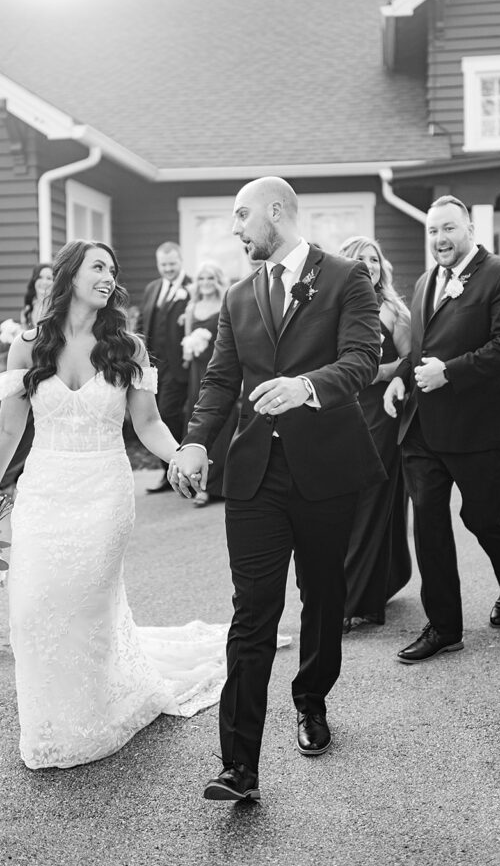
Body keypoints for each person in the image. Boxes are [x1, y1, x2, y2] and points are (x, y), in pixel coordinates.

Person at [0, 240, 231, 770]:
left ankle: (89, 718)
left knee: (86, 605)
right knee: (31, 607)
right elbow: (8, 428)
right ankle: (46, 725)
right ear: (70, 274)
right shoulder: (29, 345)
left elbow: (149, 423)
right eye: (97, 267)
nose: (108, 276)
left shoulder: (126, 347)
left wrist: (180, 454)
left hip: (103, 492)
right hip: (43, 491)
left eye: (113, 268)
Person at [170, 177, 385, 802]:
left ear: (275, 211)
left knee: (322, 595)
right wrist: (193, 443)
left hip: (326, 470)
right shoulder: (240, 295)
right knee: (253, 611)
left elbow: (363, 359)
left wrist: (305, 387)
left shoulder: (347, 277)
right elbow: (218, 381)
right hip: (255, 474)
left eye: (241, 216)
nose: (235, 229)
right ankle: (239, 765)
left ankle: (311, 698)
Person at [383, 195, 500, 665]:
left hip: (479, 427)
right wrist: (400, 379)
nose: (440, 239)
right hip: (423, 428)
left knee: (482, 517)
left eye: (449, 228)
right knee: (428, 525)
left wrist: (450, 372)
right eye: (432, 231)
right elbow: (422, 347)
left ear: (468, 227)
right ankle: (444, 627)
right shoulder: (426, 281)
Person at [337, 236, 412, 631]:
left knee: (370, 501)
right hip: (339, 413)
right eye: (360, 259)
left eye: (375, 259)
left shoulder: (394, 311)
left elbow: (409, 360)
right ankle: (384, 577)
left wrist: (379, 372)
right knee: (344, 504)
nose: (369, 265)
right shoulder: (334, 306)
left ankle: (350, 602)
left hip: (380, 413)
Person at [181, 261, 237, 508]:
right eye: (201, 278)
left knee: (223, 423)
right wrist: (190, 347)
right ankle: (198, 484)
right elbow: (185, 345)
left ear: (217, 281)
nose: (205, 283)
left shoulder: (227, 303)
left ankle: (220, 484)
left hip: (219, 370)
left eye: (210, 278)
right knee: (198, 420)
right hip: (196, 372)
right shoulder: (191, 308)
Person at [137, 242, 191, 493]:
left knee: (168, 415)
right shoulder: (152, 288)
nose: (168, 269)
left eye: (172, 264)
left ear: (181, 261)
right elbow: (142, 322)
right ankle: (167, 472)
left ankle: (178, 467)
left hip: (178, 366)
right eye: (164, 265)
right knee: (153, 414)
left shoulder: (192, 288)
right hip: (151, 366)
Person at [0, 263, 53, 494]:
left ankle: (13, 478)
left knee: (31, 426)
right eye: (42, 277)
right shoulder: (29, 307)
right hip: (26, 370)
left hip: (45, 369)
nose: (45, 282)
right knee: (15, 424)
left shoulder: (55, 307)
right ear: (35, 281)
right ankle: (7, 478)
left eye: (50, 278)